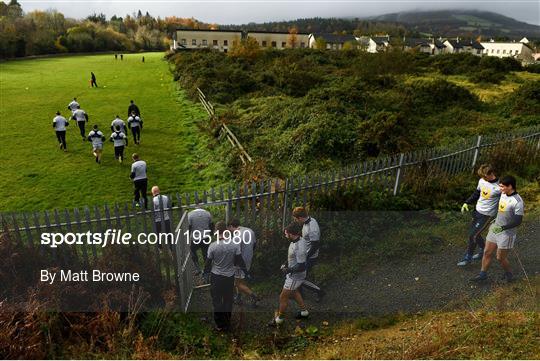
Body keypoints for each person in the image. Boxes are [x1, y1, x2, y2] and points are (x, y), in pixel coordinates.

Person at [471, 176, 524, 283]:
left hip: (506, 233)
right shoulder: (503, 195)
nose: (500, 189)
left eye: (502, 186)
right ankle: (482, 275)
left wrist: (502, 228)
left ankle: (509, 275)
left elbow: (518, 221)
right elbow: (497, 211)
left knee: (500, 257)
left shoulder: (517, 201)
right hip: (495, 228)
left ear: (510, 186)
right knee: (487, 252)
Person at [203, 221, 248, 332]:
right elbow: (239, 261)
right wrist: (246, 272)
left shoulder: (213, 246)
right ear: (226, 231)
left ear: (216, 232)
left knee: (217, 300)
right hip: (229, 277)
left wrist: (205, 273)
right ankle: (227, 323)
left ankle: (219, 325)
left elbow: (208, 263)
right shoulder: (234, 245)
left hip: (216, 277)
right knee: (228, 300)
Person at [457, 164, 501, 266]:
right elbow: (476, 194)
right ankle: (483, 250)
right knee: (475, 234)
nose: (483, 178)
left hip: (487, 215)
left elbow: (505, 202)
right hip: (477, 211)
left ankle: (468, 258)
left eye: (485, 176)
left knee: (473, 235)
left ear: (491, 174)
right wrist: (466, 202)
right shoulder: (482, 181)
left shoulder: (499, 187)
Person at [268, 222, 310, 327]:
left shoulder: (299, 247)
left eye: (286, 234)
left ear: (291, 233)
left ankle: (279, 319)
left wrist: (288, 270)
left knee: (283, 297)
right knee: (294, 292)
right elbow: (292, 257)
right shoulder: (297, 240)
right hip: (293, 275)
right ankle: (304, 312)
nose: (285, 235)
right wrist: (285, 263)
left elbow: (301, 266)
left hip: (295, 276)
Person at [292, 207, 325, 302]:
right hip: (304, 253)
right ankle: (300, 294)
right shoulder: (310, 220)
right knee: (299, 275)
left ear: (300, 217)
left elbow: (315, 245)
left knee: (299, 277)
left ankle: (320, 292)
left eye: (295, 218)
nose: (295, 220)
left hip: (310, 256)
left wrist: (305, 257)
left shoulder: (312, 228)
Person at [228, 218, 260, 306]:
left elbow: (236, 253)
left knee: (237, 283)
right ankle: (238, 297)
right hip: (248, 259)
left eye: (229, 229)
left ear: (231, 226)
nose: (229, 231)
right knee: (240, 280)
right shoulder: (250, 231)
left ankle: (254, 296)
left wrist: (233, 263)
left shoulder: (237, 235)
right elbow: (254, 245)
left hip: (240, 262)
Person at [188, 207, 213, 275]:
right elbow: (211, 225)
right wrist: (211, 234)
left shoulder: (190, 214)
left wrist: (187, 236)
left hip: (195, 238)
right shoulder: (208, 213)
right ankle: (207, 270)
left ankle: (197, 268)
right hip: (206, 237)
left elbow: (189, 227)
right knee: (206, 254)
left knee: (192, 252)